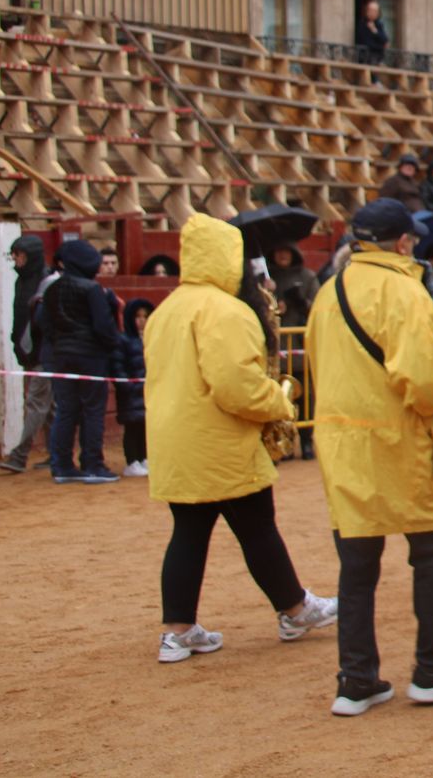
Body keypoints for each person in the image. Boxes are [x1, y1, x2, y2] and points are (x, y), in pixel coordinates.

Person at [305, 198, 433, 716]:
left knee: (357, 565)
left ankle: (356, 679)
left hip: (344, 444)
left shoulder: (328, 292)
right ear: (405, 242)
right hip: (404, 441)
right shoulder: (406, 292)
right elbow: (426, 382)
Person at [145, 213, 337, 665]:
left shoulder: (167, 308)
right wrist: (280, 401)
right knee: (257, 525)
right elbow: (236, 387)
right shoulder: (226, 310)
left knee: (189, 532)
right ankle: (294, 610)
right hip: (220, 440)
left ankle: (178, 631)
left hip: (176, 439)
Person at [35, 239, 119, 484]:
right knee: (93, 410)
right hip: (91, 357)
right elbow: (104, 328)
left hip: (62, 356)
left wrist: (61, 344)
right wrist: (111, 345)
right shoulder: (92, 289)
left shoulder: (51, 289)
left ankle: (61, 465)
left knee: (66, 410)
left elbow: (45, 325)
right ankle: (93, 464)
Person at [1, 234, 52, 473]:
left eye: (18, 255)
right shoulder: (22, 281)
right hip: (30, 353)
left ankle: (19, 456)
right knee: (49, 406)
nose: (15, 260)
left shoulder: (46, 281)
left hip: (43, 353)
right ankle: (56, 454)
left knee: (35, 403)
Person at [111, 297, 153, 477]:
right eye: (138, 316)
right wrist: (126, 386)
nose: (142, 320)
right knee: (132, 429)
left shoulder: (152, 338)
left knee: (145, 428)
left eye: (146, 316)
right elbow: (117, 365)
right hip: (131, 394)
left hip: (148, 393)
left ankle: (144, 458)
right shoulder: (124, 340)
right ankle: (132, 461)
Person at [267, 245, 320, 328]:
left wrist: (300, 302)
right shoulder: (265, 278)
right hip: (273, 332)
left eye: (287, 251)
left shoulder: (308, 277)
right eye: (279, 251)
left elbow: (318, 309)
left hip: (299, 334)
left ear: (294, 253)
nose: (283, 255)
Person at [354, 0, 389, 66]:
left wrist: (374, 31)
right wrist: (379, 45)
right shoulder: (362, 24)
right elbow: (365, 42)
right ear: (367, 11)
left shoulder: (379, 24)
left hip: (377, 58)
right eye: (371, 10)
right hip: (365, 58)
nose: (373, 13)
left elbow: (384, 40)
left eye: (375, 11)